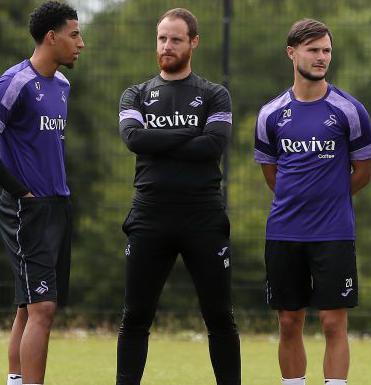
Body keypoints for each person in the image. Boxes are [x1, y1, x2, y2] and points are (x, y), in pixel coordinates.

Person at [116, 8, 240, 385]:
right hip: (149, 215)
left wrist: (160, 144)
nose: (166, 46)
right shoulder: (135, 93)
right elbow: (134, 140)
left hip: (203, 215)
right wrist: (191, 136)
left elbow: (214, 144)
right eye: (161, 38)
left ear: (194, 42)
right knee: (135, 316)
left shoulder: (214, 94)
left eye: (175, 39)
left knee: (219, 317)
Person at [253, 18, 371, 385]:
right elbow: (273, 175)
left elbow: (363, 173)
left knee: (333, 322)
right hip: (284, 232)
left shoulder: (350, 111)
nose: (322, 58)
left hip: (334, 232)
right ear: (292, 53)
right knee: (289, 322)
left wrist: (328, 199)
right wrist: (300, 200)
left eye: (326, 51)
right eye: (313, 50)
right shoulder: (270, 114)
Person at [0, 2, 84, 385]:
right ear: (52, 37)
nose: (80, 43)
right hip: (26, 207)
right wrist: (22, 193)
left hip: (57, 204)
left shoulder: (63, 85)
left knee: (28, 306)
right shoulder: (14, 81)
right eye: (74, 34)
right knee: (43, 307)